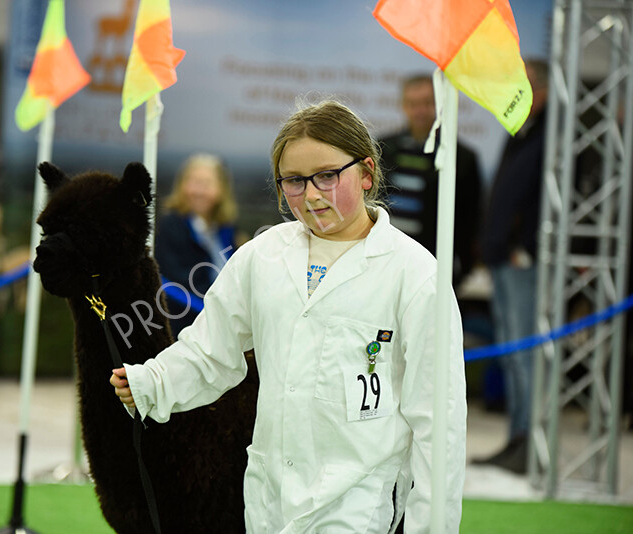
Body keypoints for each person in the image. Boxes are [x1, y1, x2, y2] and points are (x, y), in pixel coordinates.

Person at [111, 99, 467, 532]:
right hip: (270, 500)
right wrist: (153, 382)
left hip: (361, 506)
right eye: (294, 181)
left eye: (327, 176)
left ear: (367, 172)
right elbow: (210, 351)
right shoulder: (262, 257)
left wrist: (433, 526)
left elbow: (438, 422)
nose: (312, 194)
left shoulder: (415, 275)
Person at [474, 59, 549, 474]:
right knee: (512, 352)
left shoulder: (554, 132)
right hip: (503, 258)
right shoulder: (522, 130)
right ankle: (517, 439)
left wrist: (526, 246)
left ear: (540, 88)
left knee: (523, 353)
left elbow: (557, 195)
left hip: (524, 260)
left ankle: (528, 442)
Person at [380, 74, 483, 287]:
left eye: (427, 103)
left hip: (434, 263)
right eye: (413, 104)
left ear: (439, 104)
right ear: (403, 106)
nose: (421, 110)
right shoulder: (382, 149)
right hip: (384, 258)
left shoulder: (461, 157)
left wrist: (464, 266)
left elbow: (471, 217)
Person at [155, 153, 241, 335]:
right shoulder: (173, 225)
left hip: (225, 321)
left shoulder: (226, 228)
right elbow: (174, 284)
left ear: (221, 190)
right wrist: (212, 312)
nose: (199, 191)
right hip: (186, 324)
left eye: (206, 184)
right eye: (193, 182)